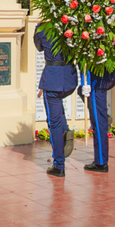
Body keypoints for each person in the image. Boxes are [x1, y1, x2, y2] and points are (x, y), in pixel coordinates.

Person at [33, 24, 78, 178]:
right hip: (70, 78)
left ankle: (59, 164)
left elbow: (38, 46)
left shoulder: (42, 28)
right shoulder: (73, 26)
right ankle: (65, 131)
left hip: (53, 79)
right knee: (58, 111)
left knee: (54, 122)